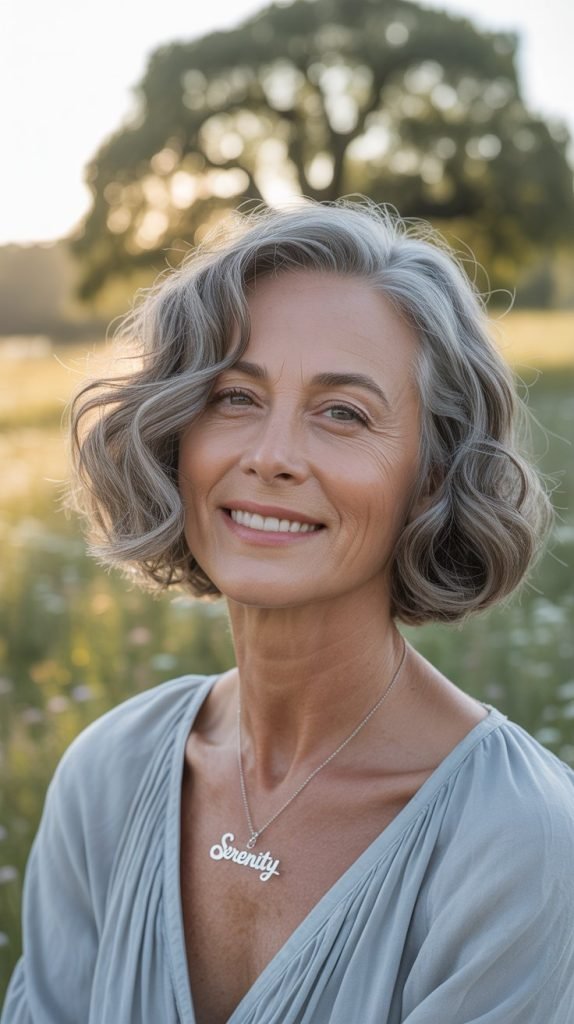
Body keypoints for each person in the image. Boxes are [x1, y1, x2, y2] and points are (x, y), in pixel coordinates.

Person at [2, 200, 573, 1024]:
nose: (270, 456)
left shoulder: (518, 843)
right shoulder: (107, 778)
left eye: (342, 412)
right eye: (235, 396)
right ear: (177, 433)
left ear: (435, 475)